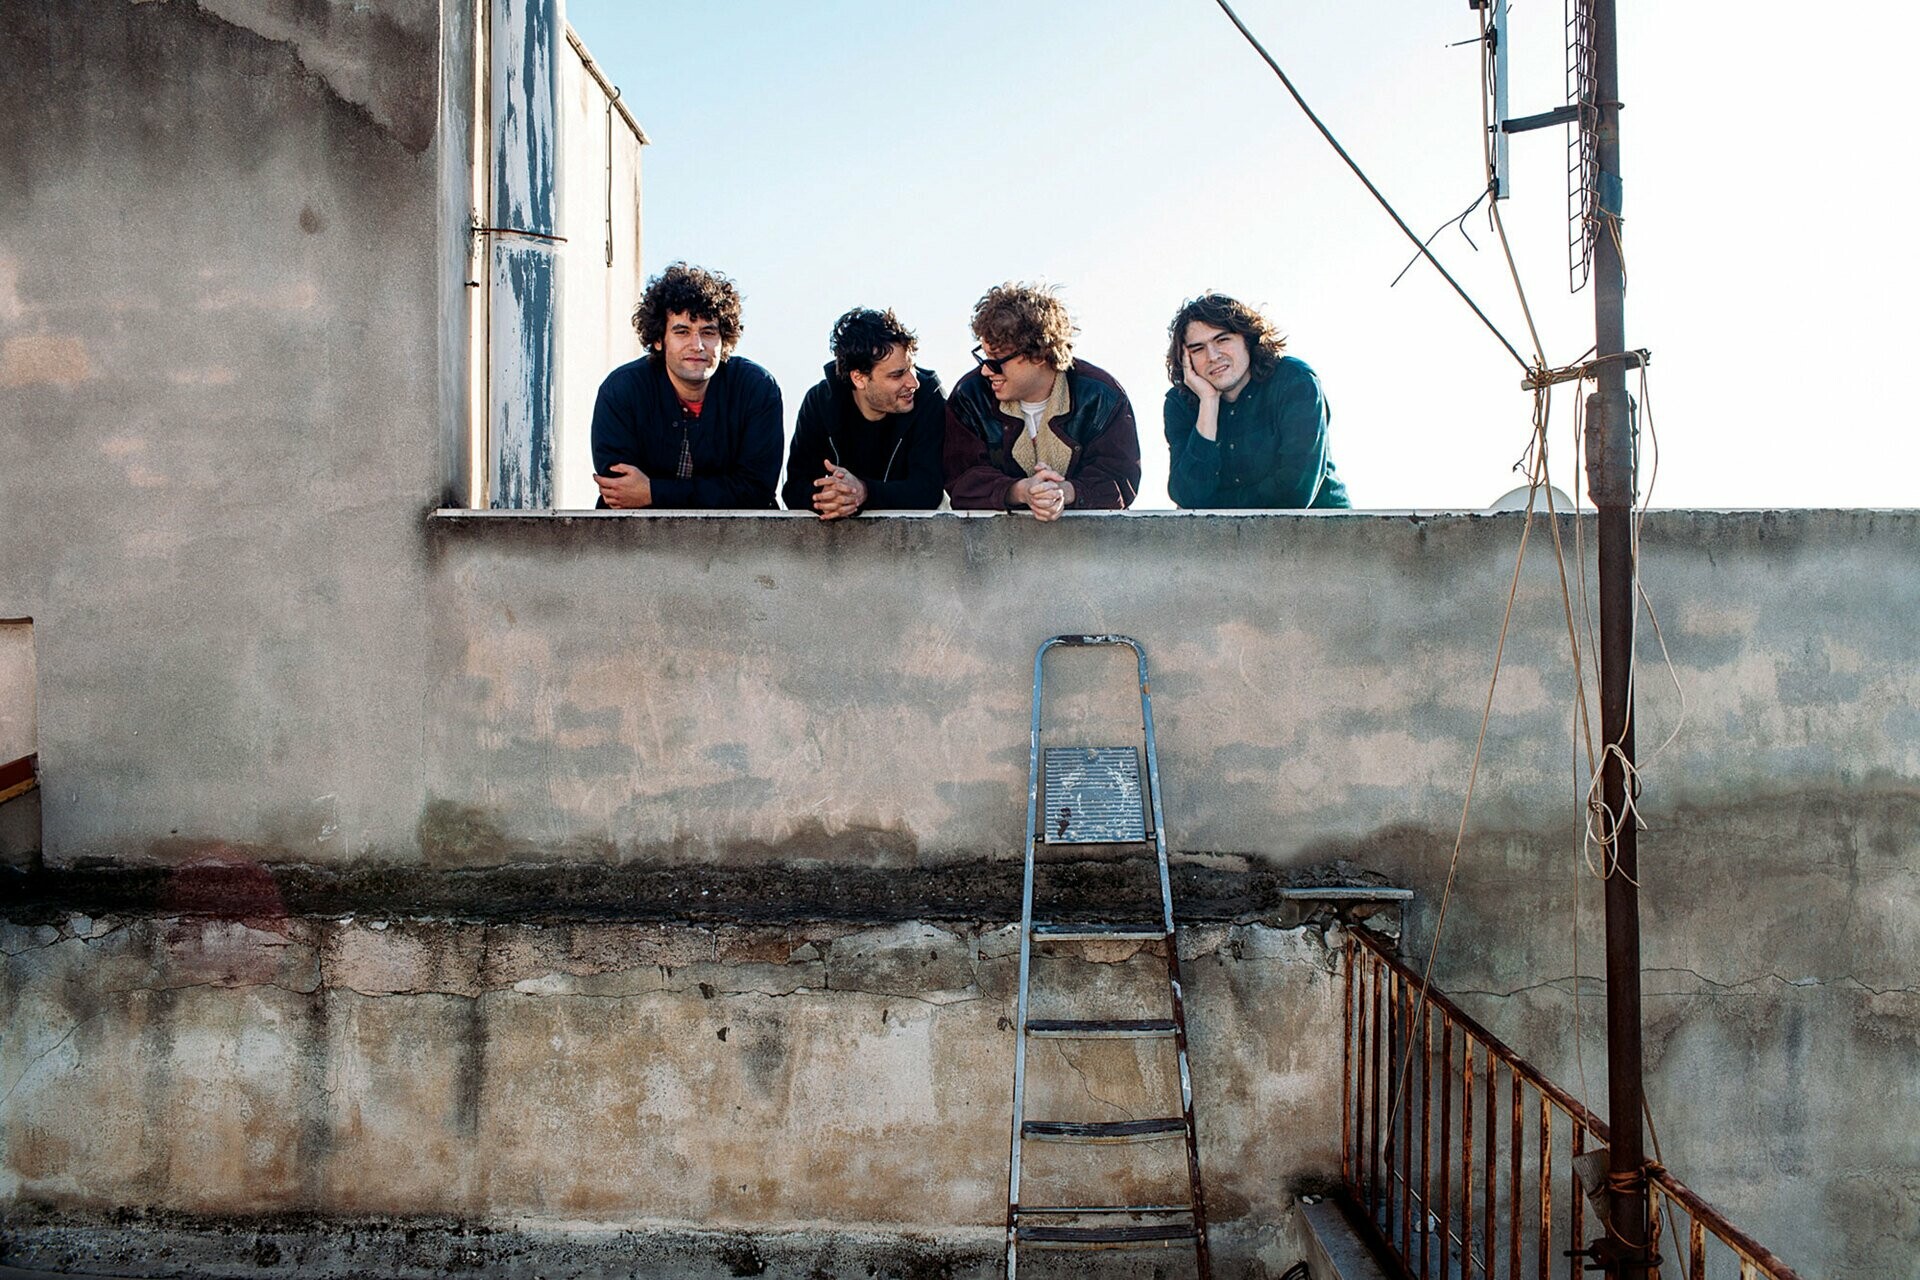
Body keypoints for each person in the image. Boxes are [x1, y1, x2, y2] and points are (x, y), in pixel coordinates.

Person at [591, 262, 782, 509]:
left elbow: (756, 490)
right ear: (659, 340)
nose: (697, 345)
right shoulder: (622, 390)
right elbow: (620, 490)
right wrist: (715, 492)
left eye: (708, 332)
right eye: (682, 332)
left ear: (724, 340)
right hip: (636, 532)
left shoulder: (756, 389)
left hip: (738, 533)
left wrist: (654, 492)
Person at [943, 282, 1140, 518]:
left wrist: (1065, 492)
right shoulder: (970, 396)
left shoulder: (1101, 396)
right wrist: (1020, 491)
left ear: (1039, 355)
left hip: (1088, 539)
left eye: (997, 359)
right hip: (995, 539)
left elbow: (1121, 480)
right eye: (983, 356)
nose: (986, 370)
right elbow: (960, 480)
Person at [1163, 293, 1349, 510]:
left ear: (1248, 339)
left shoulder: (1294, 381)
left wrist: (1214, 505)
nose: (1212, 356)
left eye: (1222, 340)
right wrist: (1209, 403)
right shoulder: (1180, 403)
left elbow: (1295, 493)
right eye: (1198, 349)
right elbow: (1188, 496)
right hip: (1223, 531)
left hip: (1321, 526)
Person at [781, 308, 945, 519]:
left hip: (914, 536)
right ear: (859, 379)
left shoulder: (928, 398)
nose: (914, 382)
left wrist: (864, 492)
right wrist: (830, 496)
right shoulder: (821, 403)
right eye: (897, 375)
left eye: (911, 368)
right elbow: (794, 489)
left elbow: (928, 491)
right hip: (835, 537)